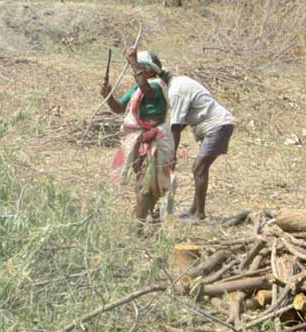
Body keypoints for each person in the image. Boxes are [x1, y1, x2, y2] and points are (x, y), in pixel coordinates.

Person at [101, 49, 175, 231]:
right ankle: (151, 223)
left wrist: (133, 62)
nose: (135, 70)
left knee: (148, 183)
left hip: (156, 139)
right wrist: (108, 95)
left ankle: (139, 227)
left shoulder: (157, 85)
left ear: (149, 69)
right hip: (141, 139)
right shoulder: (137, 88)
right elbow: (119, 108)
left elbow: (147, 91)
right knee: (143, 182)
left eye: (139, 67)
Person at [166, 74, 235, 222]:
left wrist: (172, 155)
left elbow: (176, 127)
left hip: (217, 125)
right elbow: (182, 121)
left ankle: (199, 213)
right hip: (217, 124)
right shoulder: (180, 83)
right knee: (199, 169)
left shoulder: (175, 91)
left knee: (199, 168)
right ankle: (194, 209)